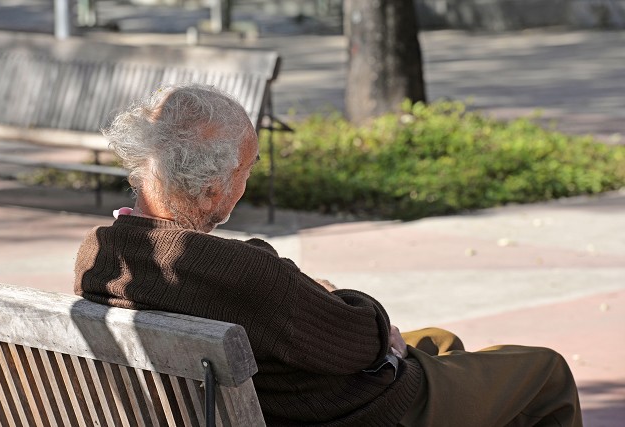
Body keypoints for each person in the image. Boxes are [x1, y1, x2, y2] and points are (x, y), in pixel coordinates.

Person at [74, 83, 583, 426]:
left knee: (444, 342)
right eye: (245, 172)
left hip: (264, 398)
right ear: (210, 190)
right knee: (546, 371)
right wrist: (332, 294)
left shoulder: (96, 256)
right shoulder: (248, 277)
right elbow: (364, 339)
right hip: (355, 411)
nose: (245, 186)